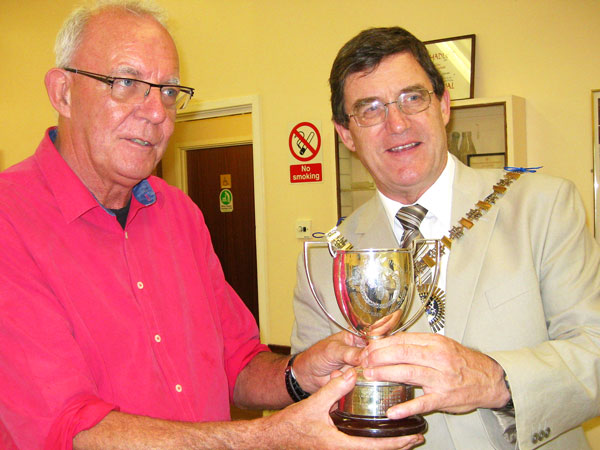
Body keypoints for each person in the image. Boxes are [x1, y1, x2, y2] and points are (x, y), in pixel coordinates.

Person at [0, 4, 423, 449]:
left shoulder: (179, 215)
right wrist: (272, 437)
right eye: (126, 83)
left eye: (168, 91)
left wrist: (299, 374)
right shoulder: (11, 220)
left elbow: (236, 362)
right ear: (62, 92)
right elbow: (69, 429)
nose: (157, 112)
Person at [291, 26, 600, 449]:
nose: (396, 123)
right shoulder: (329, 257)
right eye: (371, 109)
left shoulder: (542, 208)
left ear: (444, 105)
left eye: (412, 98)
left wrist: (496, 379)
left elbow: (595, 353)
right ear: (346, 134)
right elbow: (313, 402)